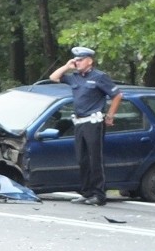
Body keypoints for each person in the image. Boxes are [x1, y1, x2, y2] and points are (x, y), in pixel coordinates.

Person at [49, 46, 122, 206]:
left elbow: (117, 95)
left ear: (90, 61)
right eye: (76, 60)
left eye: (80, 60)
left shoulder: (99, 77)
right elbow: (53, 77)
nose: (78, 62)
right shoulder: (74, 77)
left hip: (93, 122)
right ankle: (86, 192)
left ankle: (99, 194)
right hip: (80, 122)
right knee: (82, 159)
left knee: (95, 159)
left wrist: (110, 115)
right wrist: (67, 66)